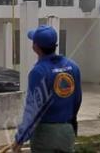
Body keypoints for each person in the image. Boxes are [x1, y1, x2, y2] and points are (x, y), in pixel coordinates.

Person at [11, 25, 82, 153]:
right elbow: (77, 100)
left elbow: (32, 109)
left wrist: (20, 139)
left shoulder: (38, 72)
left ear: (35, 47)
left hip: (45, 135)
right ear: (55, 45)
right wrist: (70, 122)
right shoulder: (73, 66)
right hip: (66, 132)